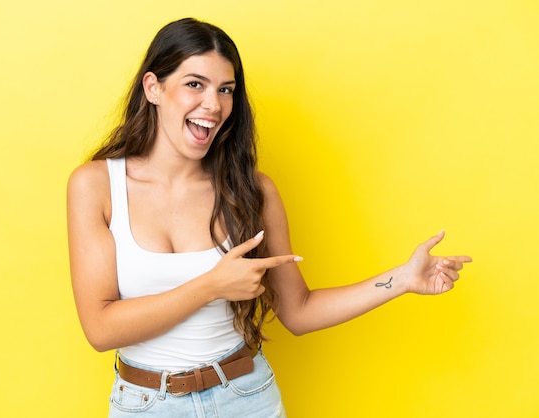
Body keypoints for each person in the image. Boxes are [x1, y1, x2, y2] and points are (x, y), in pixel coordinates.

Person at [67, 17, 472, 417]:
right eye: (195, 84)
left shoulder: (252, 191)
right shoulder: (96, 185)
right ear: (153, 87)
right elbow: (101, 330)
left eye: (226, 89)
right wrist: (211, 285)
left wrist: (401, 279)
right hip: (146, 405)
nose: (213, 104)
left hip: (246, 398)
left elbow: (299, 311)